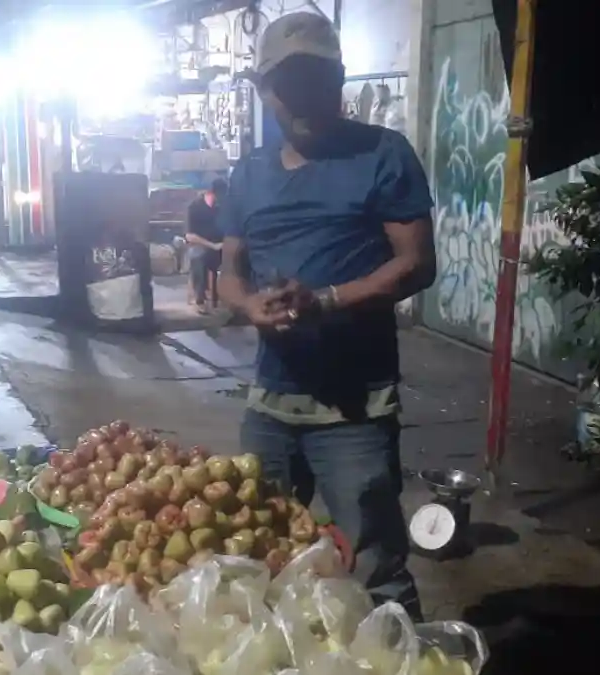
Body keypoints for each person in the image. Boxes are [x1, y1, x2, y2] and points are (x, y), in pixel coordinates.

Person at [216, 12, 437, 620]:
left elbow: (417, 264)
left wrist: (329, 300)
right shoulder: (249, 174)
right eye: (288, 83)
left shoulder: (382, 154)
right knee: (254, 556)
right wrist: (249, 305)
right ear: (265, 91)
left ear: (338, 78)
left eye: (317, 78)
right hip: (269, 406)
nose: (303, 96)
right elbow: (230, 271)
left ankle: (398, 652)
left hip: (354, 412)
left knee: (375, 567)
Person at [185, 178, 228, 311]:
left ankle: (236, 296)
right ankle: (200, 298)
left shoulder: (223, 207)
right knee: (197, 255)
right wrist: (212, 245)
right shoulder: (194, 207)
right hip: (202, 244)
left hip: (221, 245)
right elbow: (190, 236)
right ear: (210, 193)